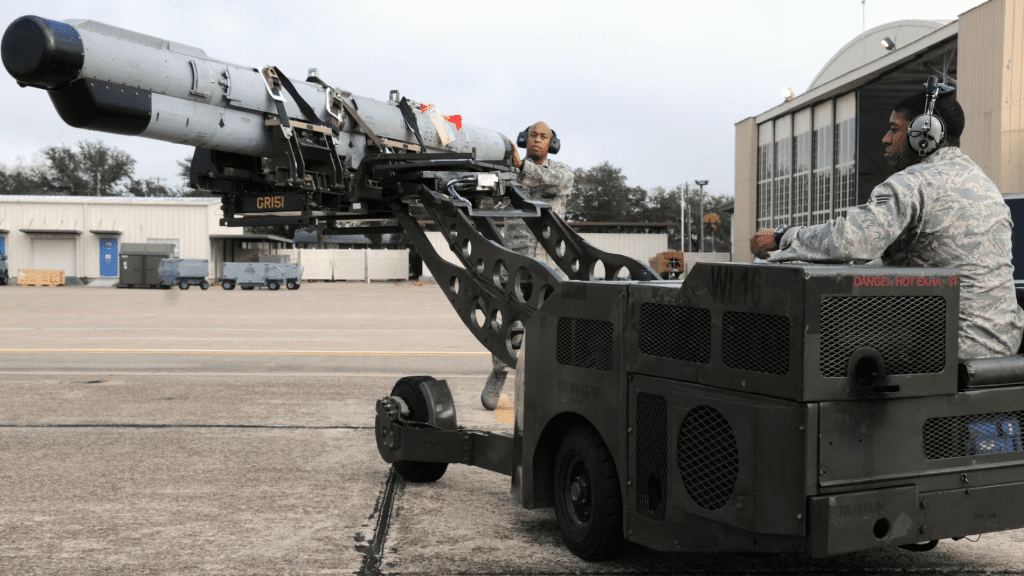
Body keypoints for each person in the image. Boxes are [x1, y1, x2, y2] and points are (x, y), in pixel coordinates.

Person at [750, 89, 1024, 361]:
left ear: (924, 133)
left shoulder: (911, 183)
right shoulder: (985, 186)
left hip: (947, 351)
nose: (886, 138)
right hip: (1003, 345)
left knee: (818, 342)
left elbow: (849, 241)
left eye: (895, 129)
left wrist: (783, 236)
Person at [481, 121, 574, 410]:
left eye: (543, 136)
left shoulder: (562, 172)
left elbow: (552, 182)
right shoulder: (509, 174)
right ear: (524, 139)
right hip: (516, 262)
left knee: (551, 328)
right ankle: (498, 373)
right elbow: (485, 195)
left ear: (551, 144)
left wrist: (521, 168)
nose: (537, 140)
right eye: (533, 135)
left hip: (549, 265)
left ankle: (548, 387)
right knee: (508, 323)